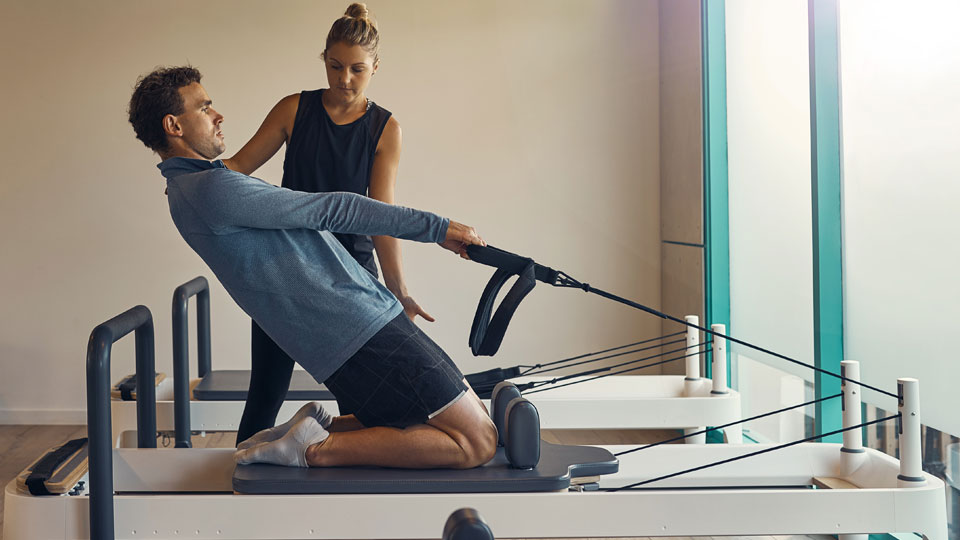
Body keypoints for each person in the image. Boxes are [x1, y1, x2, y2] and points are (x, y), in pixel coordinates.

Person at [128, 65, 498, 469]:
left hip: (367, 315)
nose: (218, 115)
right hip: (355, 328)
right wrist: (438, 228)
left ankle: (309, 433)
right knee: (476, 442)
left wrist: (398, 287)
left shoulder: (192, 187)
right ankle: (311, 448)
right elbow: (334, 207)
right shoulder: (210, 190)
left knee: (475, 421)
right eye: (204, 107)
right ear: (173, 125)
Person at [221, 3, 425, 444]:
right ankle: (236, 489)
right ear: (324, 60)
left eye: (357, 69)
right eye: (335, 66)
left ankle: (354, 501)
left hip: (348, 278)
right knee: (265, 393)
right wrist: (194, 180)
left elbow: (381, 215)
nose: (345, 79)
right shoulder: (294, 109)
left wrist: (399, 289)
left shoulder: (385, 128)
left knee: (358, 401)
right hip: (286, 267)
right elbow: (238, 167)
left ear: (375, 67)